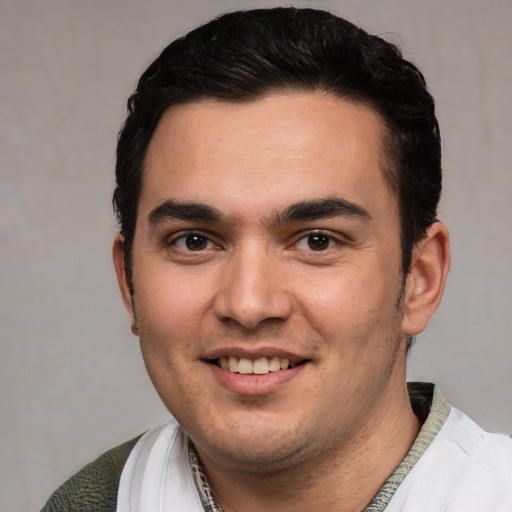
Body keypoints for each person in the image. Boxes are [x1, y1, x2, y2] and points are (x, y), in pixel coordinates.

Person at [40, 7, 512, 512]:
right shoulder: (86, 502)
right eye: (195, 241)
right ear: (129, 282)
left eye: (316, 241)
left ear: (420, 280)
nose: (248, 304)